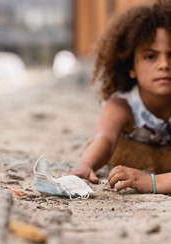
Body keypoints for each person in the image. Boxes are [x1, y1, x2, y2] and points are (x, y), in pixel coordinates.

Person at [71, 0, 171, 194]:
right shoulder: (123, 105)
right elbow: (104, 139)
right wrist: (85, 164)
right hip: (136, 154)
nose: (164, 65)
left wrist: (151, 182)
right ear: (131, 67)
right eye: (151, 56)